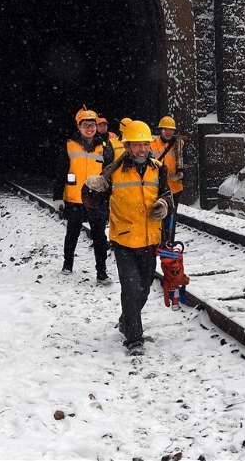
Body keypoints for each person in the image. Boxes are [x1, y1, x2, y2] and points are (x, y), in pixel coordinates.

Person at [83, 120, 172, 356]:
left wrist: (164, 205)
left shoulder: (158, 168)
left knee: (143, 290)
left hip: (149, 240)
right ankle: (134, 338)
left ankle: (126, 320)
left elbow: (167, 197)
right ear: (128, 146)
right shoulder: (114, 172)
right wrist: (90, 187)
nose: (142, 149)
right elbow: (92, 202)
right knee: (131, 289)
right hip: (124, 241)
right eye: (136, 145)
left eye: (145, 144)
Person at [52, 106, 110, 283]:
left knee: (100, 237)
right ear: (78, 126)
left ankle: (102, 272)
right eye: (85, 125)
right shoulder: (69, 145)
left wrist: (109, 197)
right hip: (75, 198)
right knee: (72, 233)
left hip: (96, 199)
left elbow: (109, 174)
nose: (89, 128)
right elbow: (60, 172)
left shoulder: (104, 146)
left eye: (92, 125)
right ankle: (67, 264)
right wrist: (57, 197)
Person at [150, 115, 186, 239]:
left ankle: (169, 242)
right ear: (161, 130)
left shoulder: (179, 144)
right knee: (157, 215)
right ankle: (157, 241)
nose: (169, 132)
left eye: (171, 130)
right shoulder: (152, 144)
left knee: (171, 217)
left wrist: (181, 174)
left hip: (174, 188)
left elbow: (185, 162)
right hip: (157, 187)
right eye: (166, 129)